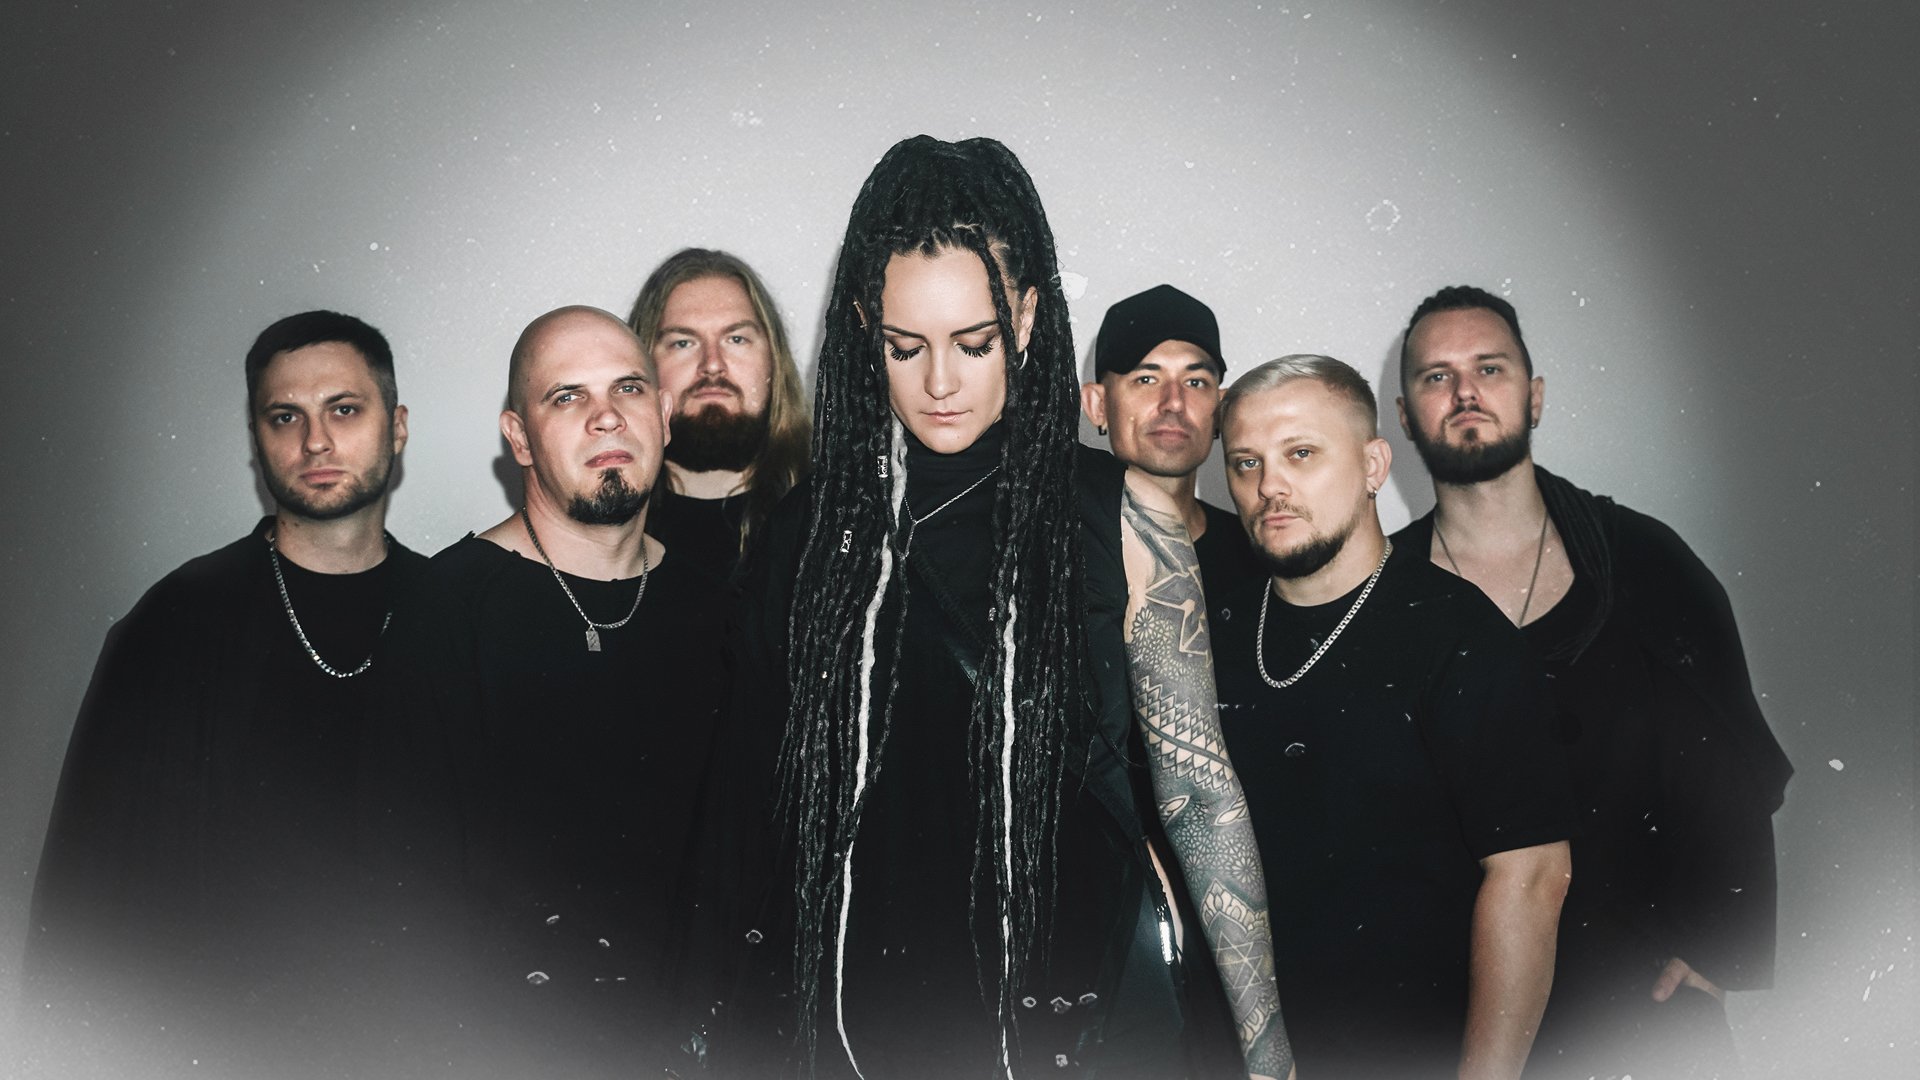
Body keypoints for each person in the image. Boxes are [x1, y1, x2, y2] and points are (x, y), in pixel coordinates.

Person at [698, 135, 1245, 1079]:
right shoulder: (804, 536)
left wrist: (1264, 1054)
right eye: (904, 348)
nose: (940, 383)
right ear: (865, 325)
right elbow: (748, 812)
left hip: (1086, 1030)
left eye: (974, 343)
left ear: (1026, 317)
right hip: (859, 1030)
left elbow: (1204, 807)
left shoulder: (1122, 519)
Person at [1391, 285, 1793, 1079]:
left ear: (1534, 396)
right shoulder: (1384, 592)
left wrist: (1717, 949)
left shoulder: (1640, 557)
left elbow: (1733, 759)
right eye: (1437, 377)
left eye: (1489, 368)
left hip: (1638, 1012)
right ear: (1405, 416)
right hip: (1459, 1017)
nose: (1465, 392)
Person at [26, 310, 426, 1076]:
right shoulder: (175, 623)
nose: (316, 441)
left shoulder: (456, 614)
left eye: (344, 409)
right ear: (257, 439)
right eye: (286, 417)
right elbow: (85, 905)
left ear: (397, 425)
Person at [370, 306, 729, 1078]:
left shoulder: (721, 610)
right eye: (568, 397)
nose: (607, 415)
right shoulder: (443, 611)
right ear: (520, 437)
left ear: (664, 414)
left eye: (629, 388)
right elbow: (402, 907)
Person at [1197, 353, 1575, 1079]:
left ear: (1373, 466)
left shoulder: (1460, 637)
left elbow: (1531, 878)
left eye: (1301, 454)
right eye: (1246, 463)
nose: (1269, 486)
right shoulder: (1211, 632)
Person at [627, 248, 810, 582]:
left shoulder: (837, 510)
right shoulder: (599, 527)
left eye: (736, 339)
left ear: (774, 362)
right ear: (642, 366)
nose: (712, 364)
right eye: (683, 343)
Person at [1082, 283, 1256, 595]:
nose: (1174, 402)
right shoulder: (1053, 545)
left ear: (1221, 410)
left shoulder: (1262, 555)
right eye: (1147, 379)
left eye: (1195, 382)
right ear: (1098, 405)